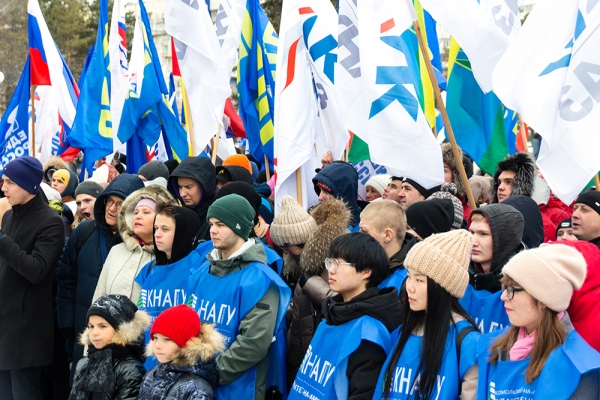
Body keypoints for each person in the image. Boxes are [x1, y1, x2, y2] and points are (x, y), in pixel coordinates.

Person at [187, 194, 291, 399]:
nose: (213, 230)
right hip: (197, 384)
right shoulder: (201, 272)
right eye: (211, 224)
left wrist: (213, 373)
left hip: (240, 388)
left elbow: (253, 343)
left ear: (239, 228)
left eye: (221, 224)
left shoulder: (260, 278)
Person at [476, 245, 600, 398]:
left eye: (513, 289)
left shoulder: (579, 367)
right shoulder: (493, 346)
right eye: (504, 287)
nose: (503, 296)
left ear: (543, 300)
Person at [288, 233, 402, 400]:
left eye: (338, 264)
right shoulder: (332, 314)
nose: (330, 270)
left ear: (366, 271)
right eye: (330, 262)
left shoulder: (368, 335)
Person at [56, 173, 145, 379]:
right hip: (85, 332)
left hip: (122, 340)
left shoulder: (141, 244)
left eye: (120, 203)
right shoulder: (84, 232)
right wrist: (68, 325)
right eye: (109, 201)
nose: (112, 208)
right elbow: (66, 279)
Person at [373, 230, 480, 399]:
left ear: (442, 287)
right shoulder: (405, 329)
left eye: (419, 280)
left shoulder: (467, 341)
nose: (410, 287)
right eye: (409, 276)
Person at [0, 156, 64, 399]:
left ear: (28, 185)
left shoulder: (50, 222)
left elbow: (37, 270)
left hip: (27, 333)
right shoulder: (9, 216)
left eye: (9, 182)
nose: (3, 188)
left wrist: (2, 241)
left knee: (24, 394)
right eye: (3, 181)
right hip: (5, 326)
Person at [277, 197, 351, 390]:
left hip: (325, 341)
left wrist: (309, 282)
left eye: (286, 246)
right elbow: (300, 299)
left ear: (299, 240)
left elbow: (342, 299)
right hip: (304, 338)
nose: (285, 252)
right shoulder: (302, 259)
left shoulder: (338, 252)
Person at [135, 202, 203, 370]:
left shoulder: (199, 268)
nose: (157, 234)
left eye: (165, 229)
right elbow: (140, 316)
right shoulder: (150, 269)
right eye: (156, 228)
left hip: (182, 366)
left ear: (182, 232)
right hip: (150, 364)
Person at [92, 185, 176, 302]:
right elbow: (99, 296)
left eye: (146, 212)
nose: (138, 216)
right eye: (135, 212)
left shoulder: (169, 257)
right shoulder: (116, 250)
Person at [69, 294, 149, 400]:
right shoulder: (84, 364)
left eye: (102, 326)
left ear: (120, 329)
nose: (94, 332)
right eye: (91, 326)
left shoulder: (130, 369)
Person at [460, 204, 525, 333]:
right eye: (471, 232)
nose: (472, 241)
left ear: (504, 240)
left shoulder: (524, 289)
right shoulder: (461, 277)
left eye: (483, 234)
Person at [139, 305, 225, 400]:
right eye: (155, 338)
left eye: (167, 339)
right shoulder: (152, 374)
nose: (157, 345)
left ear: (187, 344)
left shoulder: (196, 390)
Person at [360, 199, 417, 292]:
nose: (358, 236)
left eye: (364, 231)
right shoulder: (359, 259)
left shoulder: (410, 277)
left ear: (387, 235)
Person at [270, 195, 318, 286]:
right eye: (281, 247)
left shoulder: (326, 262)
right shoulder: (291, 265)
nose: (285, 252)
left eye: (286, 246)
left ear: (301, 240)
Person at [168, 156, 217, 241]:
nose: (182, 194)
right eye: (180, 187)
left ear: (204, 185)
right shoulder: (179, 216)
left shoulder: (219, 217)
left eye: (188, 187)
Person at [312, 161, 361, 230]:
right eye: (320, 190)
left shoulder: (362, 229)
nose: (319, 197)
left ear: (344, 195)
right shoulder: (313, 219)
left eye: (326, 191)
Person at [442, 143, 472, 218]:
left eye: (444, 170)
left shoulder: (464, 210)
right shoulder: (424, 200)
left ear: (455, 175)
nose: (439, 174)